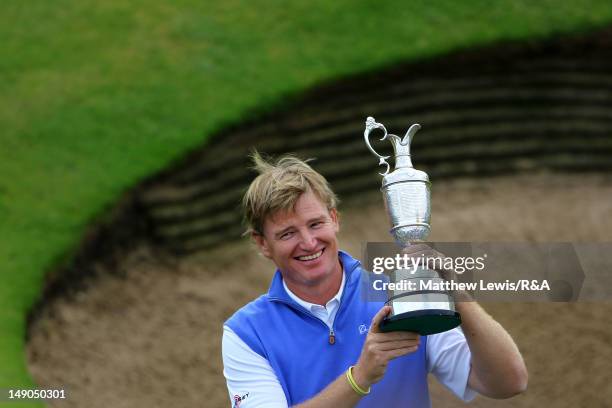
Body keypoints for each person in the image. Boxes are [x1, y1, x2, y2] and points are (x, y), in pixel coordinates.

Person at [222, 152, 527, 407]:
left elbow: (509, 381)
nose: (309, 242)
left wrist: (456, 296)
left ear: (334, 219)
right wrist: (360, 377)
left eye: (315, 224)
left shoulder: (399, 293)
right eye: (288, 233)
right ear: (262, 244)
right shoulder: (246, 332)